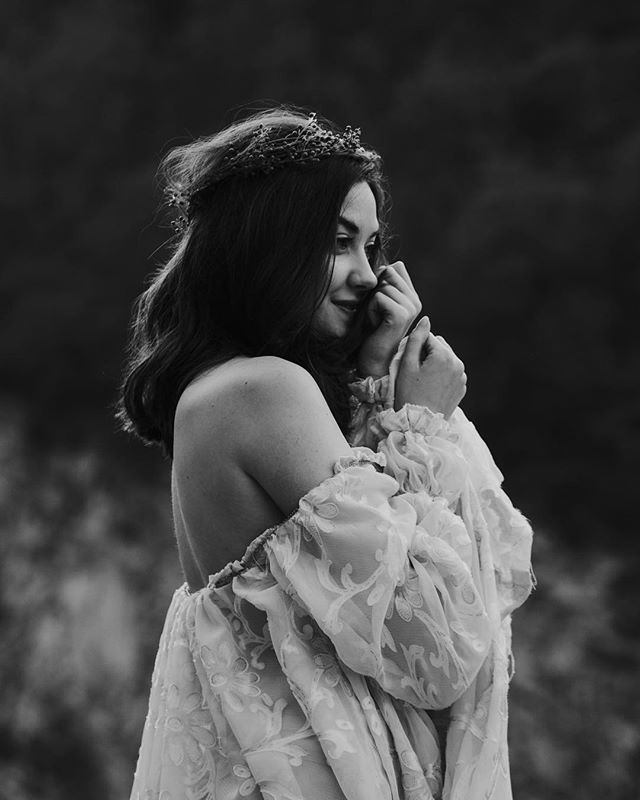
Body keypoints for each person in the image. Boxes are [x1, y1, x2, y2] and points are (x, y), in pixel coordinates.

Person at [119, 107, 534, 800]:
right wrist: (418, 424)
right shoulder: (263, 391)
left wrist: (374, 388)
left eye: (372, 247)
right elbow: (435, 645)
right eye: (340, 242)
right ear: (266, 242)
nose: (369, 276)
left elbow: (353, 584)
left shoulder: (222, 394)